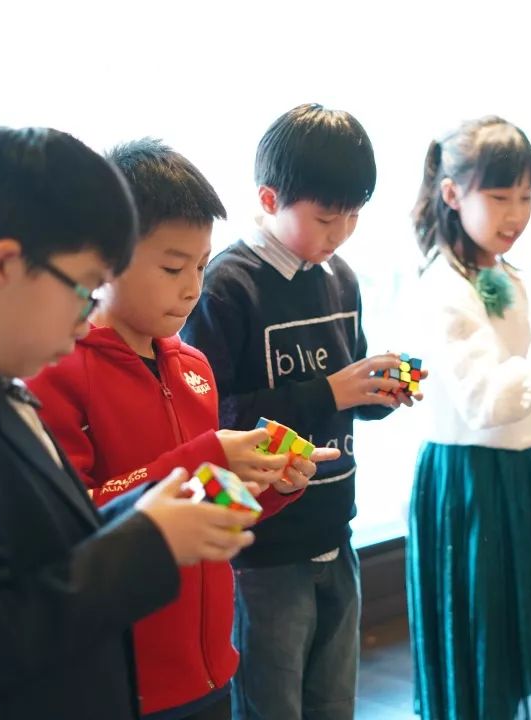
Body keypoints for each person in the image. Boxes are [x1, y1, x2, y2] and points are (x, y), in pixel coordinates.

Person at [0, 127, 256, 719]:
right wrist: (147, 541)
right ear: (3, 264)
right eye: (85, 288)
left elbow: (44, 552)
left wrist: (145, 512)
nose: (87, 321)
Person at [29, 138, 337, 720]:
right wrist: (206, 456)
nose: (193, 286)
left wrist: (269, 486)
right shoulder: (57, 372)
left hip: (210, 668)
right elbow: (75, 525)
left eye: (201, 265)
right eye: (173, 268)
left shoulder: (193, 366)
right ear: (103, 259)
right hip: (120, 679)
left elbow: (212, 509)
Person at [181, 103, 416, 720]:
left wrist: (382, 392)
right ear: (269, 199)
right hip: (262, 547)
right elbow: (212, 419)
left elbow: (347, 391)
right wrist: (329, 393)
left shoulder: (341, 278)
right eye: (326, 217)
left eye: (354, 216)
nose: (341, 233)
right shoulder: (226, 285)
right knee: (270, 704)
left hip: (336, 526)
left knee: (334, 702)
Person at [406, 115, 531, 720]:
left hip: (517, 470)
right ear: (452, 193)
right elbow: (488, 404)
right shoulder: (444, 287)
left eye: (525, 196)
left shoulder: (497, 272)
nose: (517, 214)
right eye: (500, 197)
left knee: (518, 638)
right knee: (483, 649)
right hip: (469, 480)